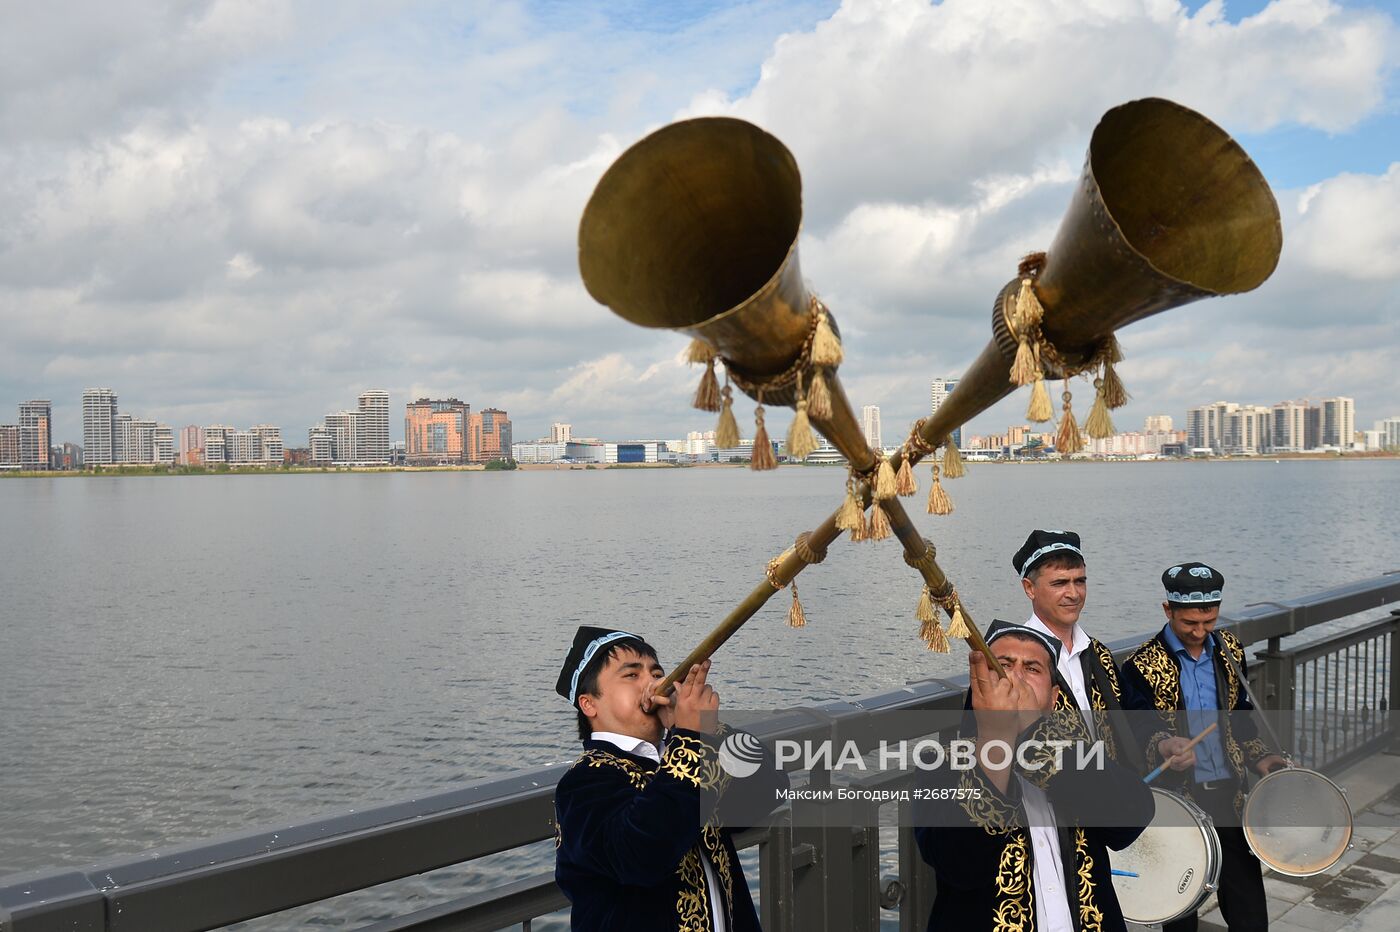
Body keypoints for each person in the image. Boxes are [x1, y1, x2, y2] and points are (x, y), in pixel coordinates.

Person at [915, 621, 1152, 932]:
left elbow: (1132, 819)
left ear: (1054, 699)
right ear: (979, 686)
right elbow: (959, 865)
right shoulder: (940, 761)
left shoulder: (1075, 752)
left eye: (1032, 669)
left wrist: (1033, 735)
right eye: (1002, 665)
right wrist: (995, 741)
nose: (1013, 678)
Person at [552, 626, 788, 932]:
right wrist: (690, 738)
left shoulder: (684, 753)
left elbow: (771, 788)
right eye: (632, 675)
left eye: (656, 672)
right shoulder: (583, 783)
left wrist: (708, 729)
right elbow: (641, 856)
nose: (653, 684)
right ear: (589, 704)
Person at [1119, 563, 1287, 932]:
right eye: (1190, 623)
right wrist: (1164, 745)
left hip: (1228, 794)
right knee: (1180, 909)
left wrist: (1260, 756)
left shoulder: (1228, 650)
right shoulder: (1141, 666)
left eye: (1208, 622)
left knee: (1249, 909)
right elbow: (1140, 724)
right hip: (1180, 801)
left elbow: (1240, 714)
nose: (1200, 632)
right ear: (1168, 610)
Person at [1014, 530, 1143, 771]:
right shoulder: (1011, 660)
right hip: (1047, 803)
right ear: (1029, 588)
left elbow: (1132, 715)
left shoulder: (1098, 654)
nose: (1074, 594)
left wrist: (1162, 743)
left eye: (1080, 581)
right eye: (1060, 583)